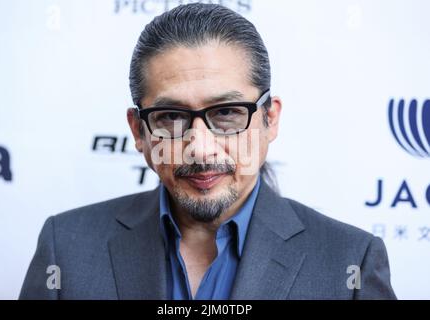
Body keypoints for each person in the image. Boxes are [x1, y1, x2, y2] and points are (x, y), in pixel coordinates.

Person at [20, 3, 396, 300]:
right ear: (138, 131)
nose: (200, 148)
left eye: (227, 113)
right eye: (170, 116)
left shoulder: (351, 261)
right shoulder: (65, 246)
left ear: (270, 119)